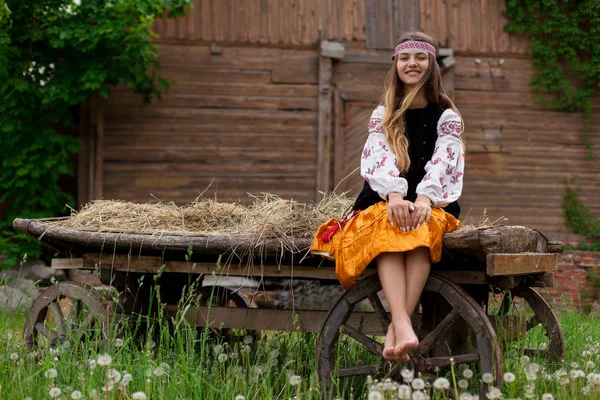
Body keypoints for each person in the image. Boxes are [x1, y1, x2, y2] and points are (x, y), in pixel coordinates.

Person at [310, 31, 465, 362]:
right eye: (405, 58)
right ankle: (403, 324)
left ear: (431, 65)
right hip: (383, 199)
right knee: (388, 228)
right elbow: (378, 157)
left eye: (420, 58)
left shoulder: (446, 117)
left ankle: (397, 327)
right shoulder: (384, 113)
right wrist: (395, 196)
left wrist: (424, 200)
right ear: (396, 65)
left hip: (430, 200)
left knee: (422, 230)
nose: (412, 64)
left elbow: (444, 163)